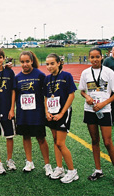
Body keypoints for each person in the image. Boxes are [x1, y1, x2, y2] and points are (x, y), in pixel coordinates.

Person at [78, 48, 114, 186]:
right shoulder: (85, 73)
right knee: (94, 140)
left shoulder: (109, 72)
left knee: (108, 142)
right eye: (92, 57)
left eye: (97, 57)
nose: (95, 59)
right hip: (90, 110)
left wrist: (103, 103)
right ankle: (98, 170)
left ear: (101, 57)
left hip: (104, 110)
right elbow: (82, 91)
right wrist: (87, 97)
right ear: (89, 58)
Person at [14, 51, 53, 176]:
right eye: (22, 62)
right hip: (23, 113)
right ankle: (29, 162)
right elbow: (15, 96)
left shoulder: (40, 75)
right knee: (26, 137)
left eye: (27, 61)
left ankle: (47, 165)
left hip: (37, 113)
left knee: (41, 138)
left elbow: (47, 94)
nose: (25, 64)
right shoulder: (17, 77)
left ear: (31, 61)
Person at [44, 53, 79, 183]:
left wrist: (62, 113)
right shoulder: (47, 79)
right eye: (47, 64)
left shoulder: (66, 76)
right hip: (52, 113)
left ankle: (72, 171)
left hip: (62, 113)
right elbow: (46, 97)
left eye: (52, 63)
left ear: (59, 63)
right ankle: (59, 168)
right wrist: (47, 111)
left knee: (60, 142)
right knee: (55, 140)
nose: (49, 66)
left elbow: (71, 95)